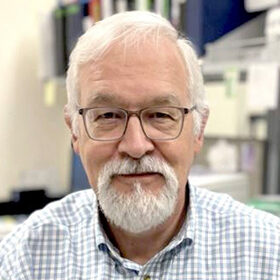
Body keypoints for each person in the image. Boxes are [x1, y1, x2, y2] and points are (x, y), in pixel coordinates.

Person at [0, 11, 279, 280]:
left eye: (160, 115)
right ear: (74, 130)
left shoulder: (268, 255)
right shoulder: (25, 258)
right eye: (107, 116)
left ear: (199, 128)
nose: (135, 145)